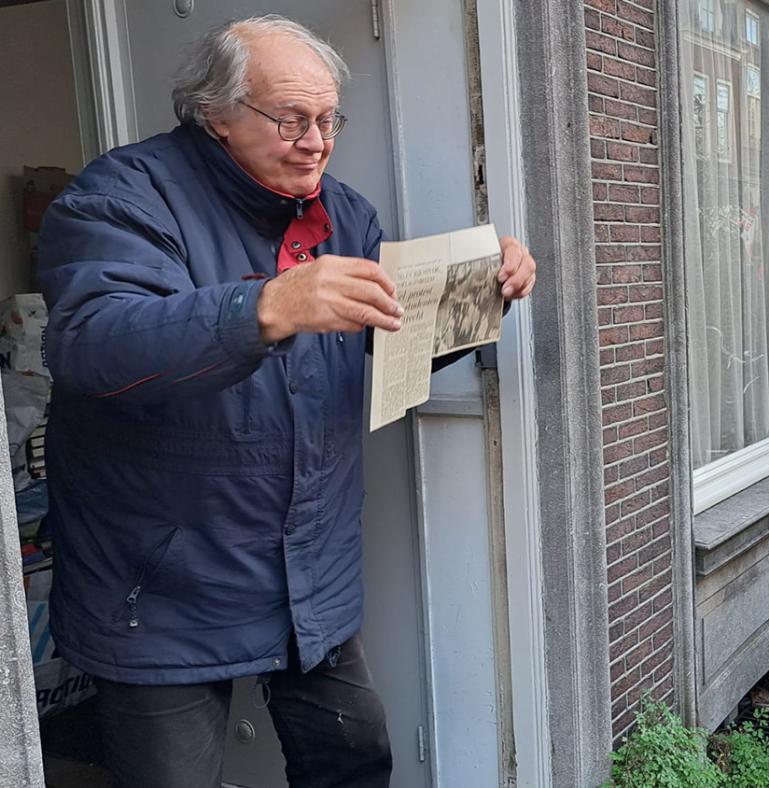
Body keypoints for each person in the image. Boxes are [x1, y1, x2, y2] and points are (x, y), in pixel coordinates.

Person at [36, 16, 535, 788]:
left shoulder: (345, 214)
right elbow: (95, 346)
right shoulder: (119, 197)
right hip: (160, 588)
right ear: (214, 112)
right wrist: (263, 307)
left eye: (329, 119)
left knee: (356, 762)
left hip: (311, 574)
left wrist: (479, 299)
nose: (317, 141)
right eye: (291, 119)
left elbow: (381, 347)